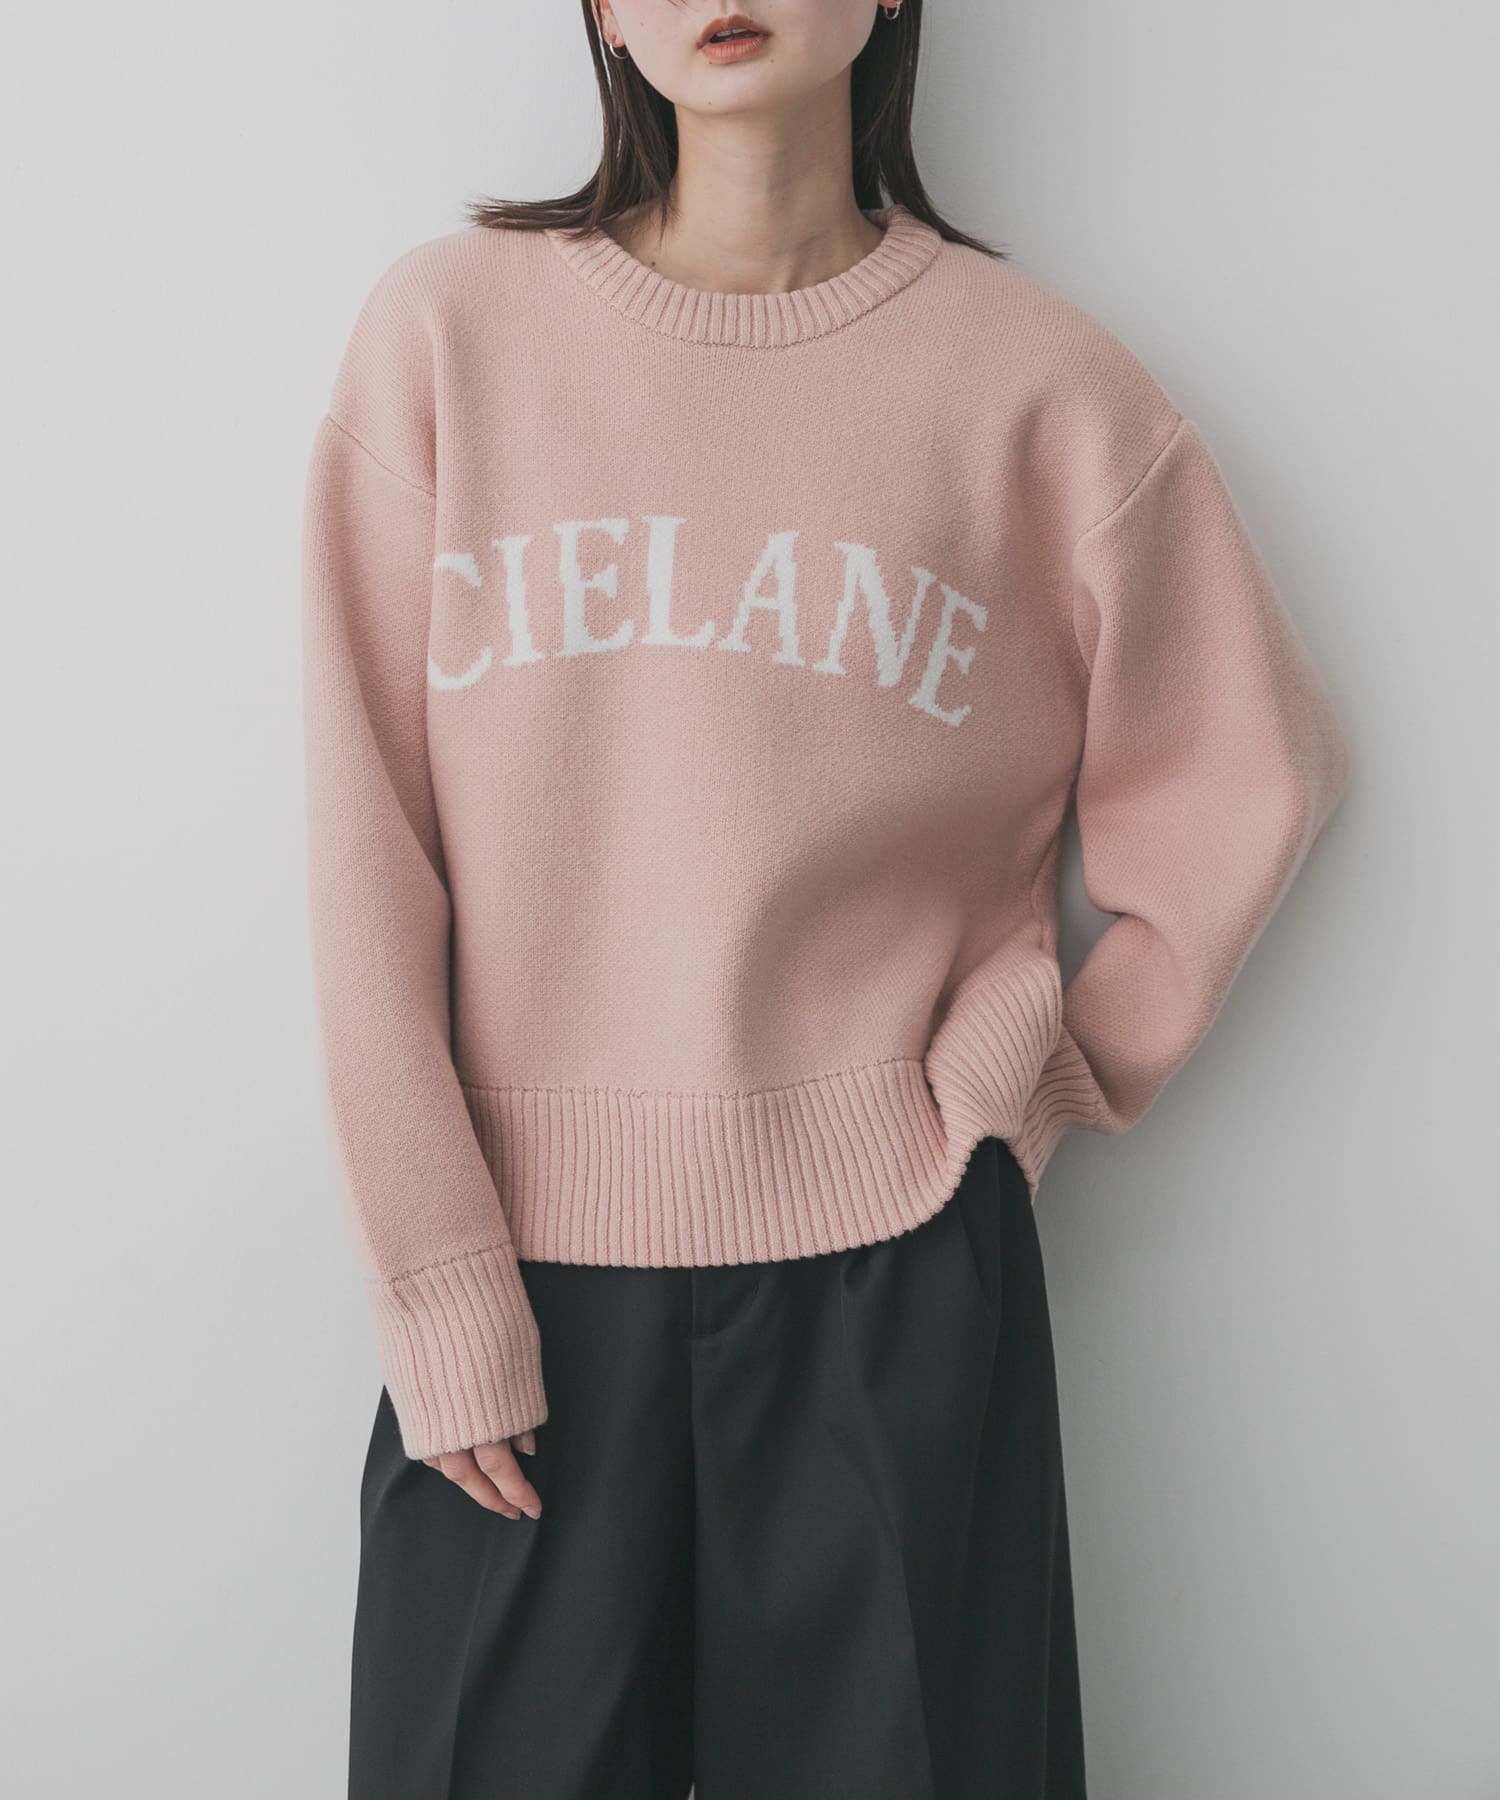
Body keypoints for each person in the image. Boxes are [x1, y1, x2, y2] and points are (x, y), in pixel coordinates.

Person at [298, 3, 1352, 1794]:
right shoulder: (448, 339)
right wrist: (438, 1285)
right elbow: (361, 851)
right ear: (600, 14)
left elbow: (1254, 774)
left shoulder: (1035, 384)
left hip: (897, 1265)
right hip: (521, 1292)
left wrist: (1038, 1071)